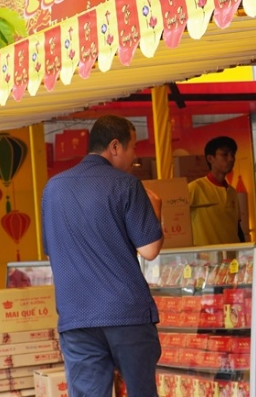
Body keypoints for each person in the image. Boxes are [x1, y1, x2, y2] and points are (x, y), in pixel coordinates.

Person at [41, 115, 163, 397]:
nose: (135, 157)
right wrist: (156, 208)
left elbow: (52, 254)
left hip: (76, 316)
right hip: (125, 313)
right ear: (115, 146)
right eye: (133, 148)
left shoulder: (53, 188)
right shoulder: (126, 184)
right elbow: (150, 249)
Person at [188, 136, 247, 246]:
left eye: (232, 155)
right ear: (210, 158)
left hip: (232, 258)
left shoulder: (232, 192)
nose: (230, 159)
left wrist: (244, 250)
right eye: (224, 154)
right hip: (207, 259)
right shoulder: (195, 188)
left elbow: (237, 228)